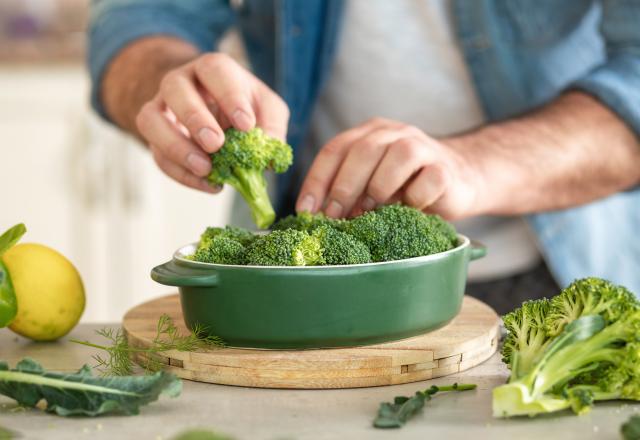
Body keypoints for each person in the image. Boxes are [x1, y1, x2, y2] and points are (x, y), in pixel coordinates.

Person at [88, 0, 640, 313]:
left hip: (562, 274)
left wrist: (474, 164)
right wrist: (166, 84)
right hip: (300, 276)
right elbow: (141, 15)